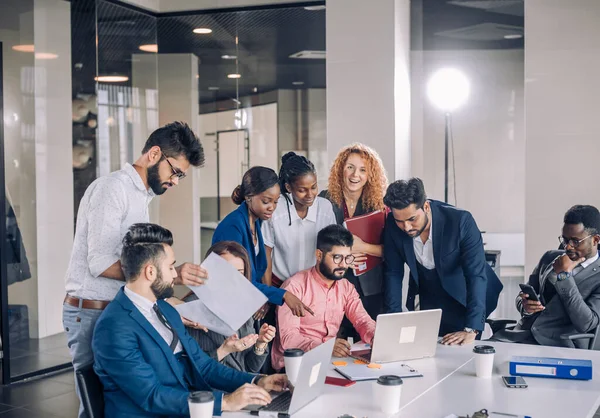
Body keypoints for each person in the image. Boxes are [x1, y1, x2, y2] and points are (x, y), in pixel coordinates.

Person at [63, 121, 207, 417]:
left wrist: (164, 299)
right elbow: (100, 262)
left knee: (127, 401)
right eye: (176, 172)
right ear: (155, 154)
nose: (176, 181)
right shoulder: (112, 188)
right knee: (96, 406)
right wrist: (172, 275)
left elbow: (140, 266)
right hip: (91, 311)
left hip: (115, 308)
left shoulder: (141, 196)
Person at [93, 224, 288, 418]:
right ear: (150, 272)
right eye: (170, 267)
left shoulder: (166, 310)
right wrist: (225, 402)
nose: (176, 274)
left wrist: (257, 381)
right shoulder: (114, 327)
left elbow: (203, 366)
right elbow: (150, 396)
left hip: (189, 408)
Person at [383, 178, 503, 345]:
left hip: (466, 295)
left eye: (412, 219)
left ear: (425, 207)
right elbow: (393, 273)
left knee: (462, 350)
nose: (407, 227)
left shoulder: (460, 221)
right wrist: (393, 322)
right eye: (400, 221)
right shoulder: (392, 224)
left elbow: (475, 275)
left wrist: (472, 329)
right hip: (432, 297)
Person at [212, 166, 312, 319]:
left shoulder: (256, 221)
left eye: (276, 202)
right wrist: (284, 295)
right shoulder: (233, 227)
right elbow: (236, 280)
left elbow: (256, 273)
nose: (272, 207)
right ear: (248, 197)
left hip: (247, 302)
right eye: (266, 201)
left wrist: (262, 297)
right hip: (227, 308)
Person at [272, 224, 376, 370]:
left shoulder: (346, 287)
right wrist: (325, 348)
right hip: (295, 363)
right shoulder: (295, 286)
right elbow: (289, 339)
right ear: (319, 255)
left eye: (347, 258)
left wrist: (375, 335)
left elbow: (362, 320)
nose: (343, 265)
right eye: (337, 257)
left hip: (328, 361)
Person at [493, 205, 600, 347]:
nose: (568, 246)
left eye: (575, 241)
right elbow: (523, 295)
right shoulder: (549, 258)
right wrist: (525, 306)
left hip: (558, 345)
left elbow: (586, 323)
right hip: (519, 336)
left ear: (595, 240)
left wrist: (563, 276)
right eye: (565, 239)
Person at [319, 143, 388, 337]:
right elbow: (317, 244)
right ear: (341, 168)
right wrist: (347, 256)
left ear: (370, 175)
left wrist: (364, 247)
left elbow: (394, 251)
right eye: (350, 167)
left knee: (370, 342)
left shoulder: (380, 204)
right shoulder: (325, 199)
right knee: (335, 343)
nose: (354, 175)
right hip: (334, 285)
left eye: (362, 170)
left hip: (373, 288)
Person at [184, 241, 276, 373]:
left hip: (244, 386)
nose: (233, 278)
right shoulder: (191, 307)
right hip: (213, 390)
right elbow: (190, 370)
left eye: (239, 273)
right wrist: (224, 350)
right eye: (226, 271)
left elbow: (250, 367)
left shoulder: (244, 304)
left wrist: (260, 343)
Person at [262, 152, 337, 288]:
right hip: (279, 283)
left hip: (314, 285)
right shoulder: (275, 210)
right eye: (302, 190)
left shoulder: (325, 208)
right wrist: (268, 293)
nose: (310, 195)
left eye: (313, 187)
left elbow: (332, 251)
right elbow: (266, 253)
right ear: (289, 187)